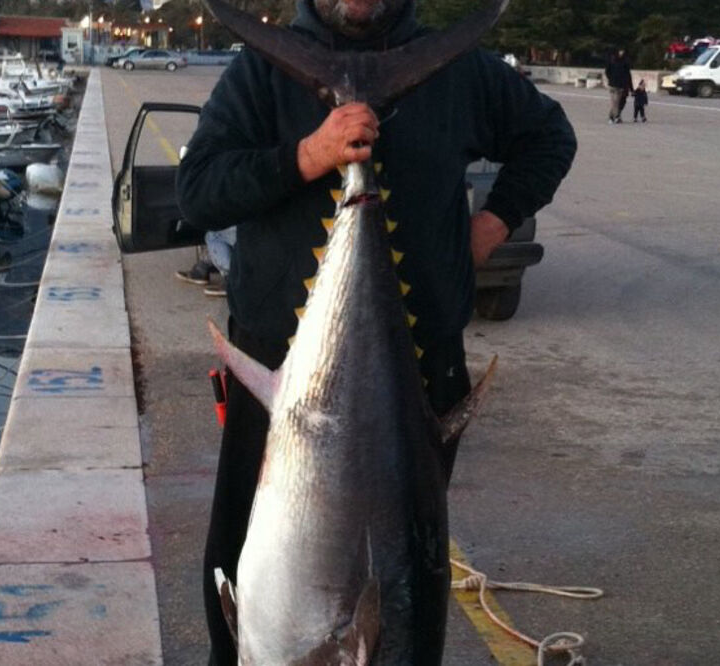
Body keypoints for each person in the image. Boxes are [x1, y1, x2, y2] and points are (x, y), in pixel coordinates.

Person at [176, 0, 577, 662]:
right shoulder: (261, 73)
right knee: (245, 554)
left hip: (417, 379)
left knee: (401, 577)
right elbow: (199, 193)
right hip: (282, 378)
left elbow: (550, 138)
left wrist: (491, 226)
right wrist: (309, 155)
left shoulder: (461, 72)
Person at [605, 49, 634, 124]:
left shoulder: (625, 62)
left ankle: (614, 116)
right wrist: (611, 79)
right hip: (613, 85)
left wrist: (631, 88)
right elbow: (607, 72)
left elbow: (627, 75)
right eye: (620, 51)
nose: (621, 53)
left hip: (620, 85)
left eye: (622, 51)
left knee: (617, 102)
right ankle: (614, 116)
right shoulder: (612, 61)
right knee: (614, 102)